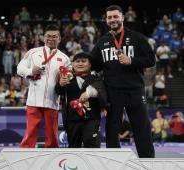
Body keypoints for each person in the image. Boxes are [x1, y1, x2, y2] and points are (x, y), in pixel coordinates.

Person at [91, 5, 155, 158]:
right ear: (106, 20)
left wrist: (131, 60)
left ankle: (148, 162)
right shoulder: (102, 42)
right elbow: (93, 64)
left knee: (141, 127)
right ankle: (115, 161)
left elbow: (150, 60)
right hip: (113, 91)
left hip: (135, 89)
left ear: (122, 17)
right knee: (112, 128)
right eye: (109, 17)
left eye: (115, 16)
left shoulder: (137, 38)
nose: (112, 20)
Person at [17, 25, 71, 148]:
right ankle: (24, 156)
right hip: (34, 100)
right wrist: (31, 71)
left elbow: (69, 75)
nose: (51, 39)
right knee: (30, 132)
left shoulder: (65, 58)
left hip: (52, 100)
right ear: (43, 37)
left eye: (54, 36)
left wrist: (66, 78)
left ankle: (52, 159)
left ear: (59, 38)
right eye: (48, 36)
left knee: (52, 134)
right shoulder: (33, 52)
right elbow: (19, 68)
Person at [55, 52, 107, 148]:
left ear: (90, 64)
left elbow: (103, 92)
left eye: (84, 61)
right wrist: (61, 84)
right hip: (72, 119)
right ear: (72, 64)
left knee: (91, 144)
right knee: (73, 147)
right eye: (77, 61)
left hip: (92, 118)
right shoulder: (67, 77)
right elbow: (58, 91)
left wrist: (89, 93)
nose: (80, 63)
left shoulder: (96, 78)